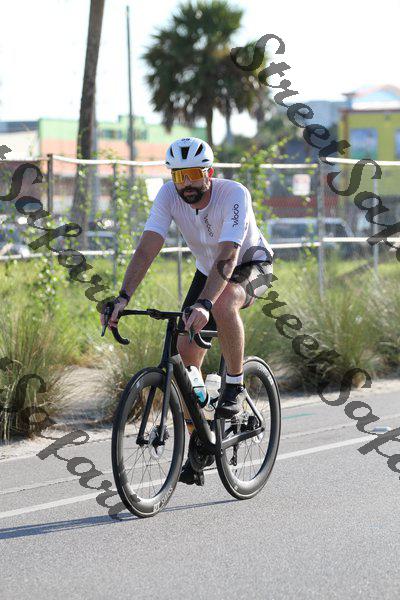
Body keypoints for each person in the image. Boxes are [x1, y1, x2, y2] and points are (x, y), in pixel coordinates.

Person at [101, 137, 274, 486]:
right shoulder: (168, 195)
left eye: (194, 174)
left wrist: (206, 304)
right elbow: (148, 247)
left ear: (210, 172)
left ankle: (235, 384)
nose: (187, 184)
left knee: (223, 303)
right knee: (184, 356)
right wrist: (122, 297)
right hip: (208, 270)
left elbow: (228, 254)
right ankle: (201, 441)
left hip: (249, 263)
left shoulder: (234, 194)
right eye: (179, 176)